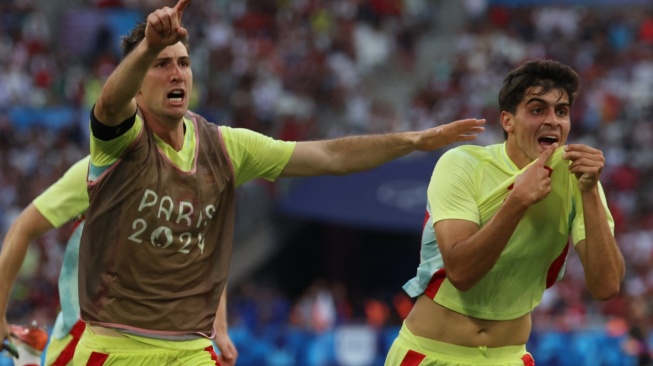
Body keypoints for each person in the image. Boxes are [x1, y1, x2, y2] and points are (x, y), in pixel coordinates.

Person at [68, 0, 485, 364]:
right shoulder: (120, 142)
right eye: (161, 64)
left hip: (188, 350)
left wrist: (414, 140)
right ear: (138, 86)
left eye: (183, 63)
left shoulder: (226, 146)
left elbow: (330, 155)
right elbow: (108, 104)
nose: (176, 73)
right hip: (113, 346)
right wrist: (146, 47)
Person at [385, 59, 626, 365]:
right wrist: (517, 202)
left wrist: (590, 191)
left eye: (561, 111)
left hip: (509, 357)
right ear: (507, 121)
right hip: (431, 353)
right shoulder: (462, 164)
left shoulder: (579, 178)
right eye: (537, 109)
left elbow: (606, 287)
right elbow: (461, 273)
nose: (553, 120)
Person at [0, 156, 238, 365]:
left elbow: (207, 256)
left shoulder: (189, 183)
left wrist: (221, 329)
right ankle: (28, 354)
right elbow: (22, 227)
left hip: (164, 333)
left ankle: (29, 352)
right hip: (90, 327)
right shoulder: (98, 171)